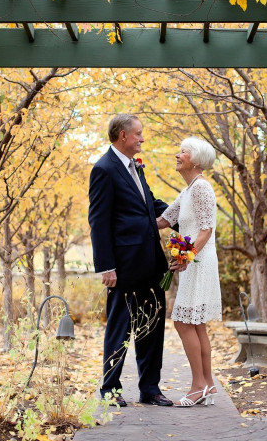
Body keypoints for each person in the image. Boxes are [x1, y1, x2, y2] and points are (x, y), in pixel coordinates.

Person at [88, 114, 177, 407]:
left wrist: (185, 216)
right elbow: (98, 221)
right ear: (123, 135)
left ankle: (150, 389)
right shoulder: (103, 169)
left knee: (152, 326)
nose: (142, 139)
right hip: (123, 266)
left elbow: (150, 204)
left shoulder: (136, 168)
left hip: (151, 262)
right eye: (138, 134)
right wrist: (106, 266)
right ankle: (110, 390)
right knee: (120, 328)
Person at [157, 136, 222, 407]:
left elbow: (206, 229)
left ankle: (197, 386)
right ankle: (208, 385)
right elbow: (162, 220)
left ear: (195, 160)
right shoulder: (188, 191)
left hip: (199, 262)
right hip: (193, 261)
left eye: (183, 151)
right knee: (195, 324)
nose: (177, 154)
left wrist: (186, 256)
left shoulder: (201, 188)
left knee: (183, 322)